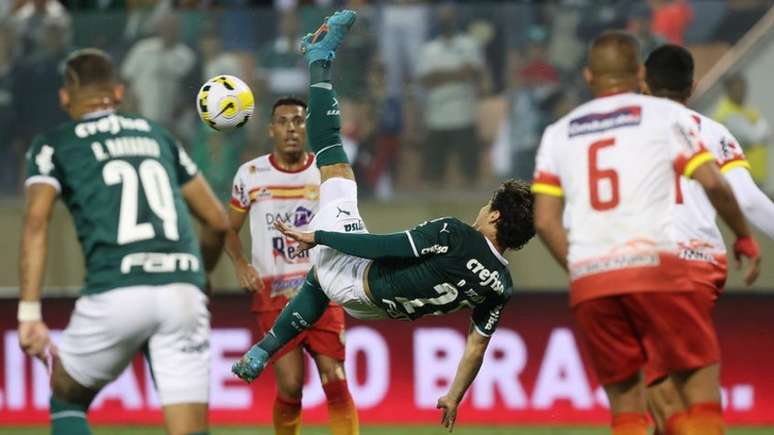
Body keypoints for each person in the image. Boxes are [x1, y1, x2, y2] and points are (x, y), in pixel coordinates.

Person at [231, 11, 536, 431]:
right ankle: (263, 350)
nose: (481, 209)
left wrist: (316, 234)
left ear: (496, 215)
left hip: (361, 280)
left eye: (488, 205)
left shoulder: (455, 234)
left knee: (334, 159)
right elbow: (474, 348)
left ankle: (319, 57)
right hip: (373, 308)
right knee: (323, 276)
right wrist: (453, 395)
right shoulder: (501, 285)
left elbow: (383, 247)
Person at [532, 32, 760, 435]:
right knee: (699, 389)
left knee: (629, 408)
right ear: (638, 74)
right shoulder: (664, 117)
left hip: (593, 278)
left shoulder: (557, 133)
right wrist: (743, 236)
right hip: (656, 268)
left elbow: (545, 221)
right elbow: (714, 184)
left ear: (588, 76)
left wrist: (583, 268)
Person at [18, 48, 229, 435]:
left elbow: (35, 222)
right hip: (181, 290)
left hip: (116, 287)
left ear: (65, 97)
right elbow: (217, 221)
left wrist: (29, 313)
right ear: (117, 94)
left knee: (66, 393)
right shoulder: (158, 136)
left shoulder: (53, 144)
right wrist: (201, 276)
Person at [642, 44, 774, 435]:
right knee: (675, 372)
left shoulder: (622, 134)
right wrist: (747, 239)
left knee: (662, 383)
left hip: (649, 266)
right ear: (694, 86)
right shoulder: (714, 131)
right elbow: (748, 200)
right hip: (704, 264)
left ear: (645, 85)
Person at [225, 96, 358, 435]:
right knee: (291, 386)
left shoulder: (323, 173)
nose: (291, 128)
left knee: (335, 378)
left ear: (307, 127)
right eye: (283, 122)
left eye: (298, 121)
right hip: (273, 292)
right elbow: (229, 229)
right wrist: (241, 263)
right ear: (271, 130)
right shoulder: (251, 175)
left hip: (320, 286)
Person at [712, 73, 772, 190]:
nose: (742, 91)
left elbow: (767, 132)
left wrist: (761, 130)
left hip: (756, 174)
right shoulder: (727, 114)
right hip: (743, 175)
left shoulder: (745, 109)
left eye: (743, 86)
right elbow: (755, 137)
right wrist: (760, 126)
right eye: (738, 87)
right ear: (729, 90)